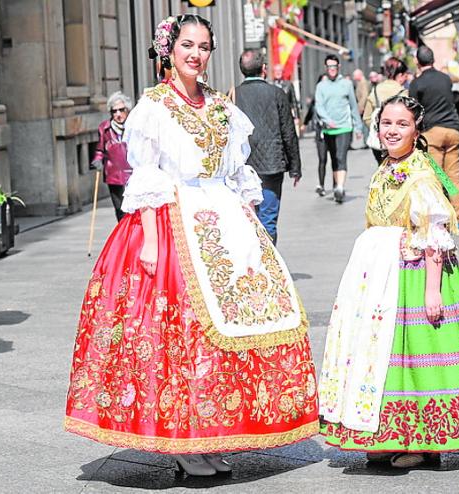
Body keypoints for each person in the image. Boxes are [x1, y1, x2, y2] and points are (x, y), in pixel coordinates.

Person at [64, 14, 319, 477]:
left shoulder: (222, 106)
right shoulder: (154, 107)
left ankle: (212, 432)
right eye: (187, 44)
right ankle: (183, 439)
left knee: (232, 327)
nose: (195, 54)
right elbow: (149, 175)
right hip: (175, 218)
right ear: (170, 49)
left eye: (203, 46)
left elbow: (240, 171)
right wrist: (152, 242)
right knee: (180, 331)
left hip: (224, 217)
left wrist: (249, 217)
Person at [318, 95, 459, 468]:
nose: (392, 130)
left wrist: (431, 290)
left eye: (401, 124)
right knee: (384, 356)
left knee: (415, 353)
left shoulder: (420, 172)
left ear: (416, 129)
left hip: (412, 271)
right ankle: (390, 435)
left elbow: (434, 231)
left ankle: (422, 443)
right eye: (387, 123)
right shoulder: (388, 166)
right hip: (379, 273)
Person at [234, 50, 301, 245]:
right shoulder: (277, 93)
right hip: (271, 164)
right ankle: (269, 265)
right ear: (264, 69)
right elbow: (288, 132)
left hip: (243, 165)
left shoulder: (232, 95)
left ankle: (253, 262)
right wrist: (295, 167)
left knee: (247, 217)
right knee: (268, 217)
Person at [409, 46, 459, 226]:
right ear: (433, 60)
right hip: (453, 130)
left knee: (436, 176)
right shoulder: (445, 79)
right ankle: (457, 215)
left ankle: (439, 217)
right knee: (453, 176)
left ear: (417, 62)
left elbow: (413, 111)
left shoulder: (417, 84)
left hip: (432, 134)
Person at [315, 55, 363, 203]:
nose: (332, 69)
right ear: (325, 68)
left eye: (334, 66)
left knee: (341, 156)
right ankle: (337, 186)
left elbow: (354, 106)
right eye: (329, 67)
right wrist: (327, 121)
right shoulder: (321, 86)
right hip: (329, 129)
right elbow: (319, 106)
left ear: (339, 67)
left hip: (344, 127)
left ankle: (340, 187)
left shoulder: (346, 84)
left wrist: (358, 127)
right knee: (334, 158)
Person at [91, 91, 133, 221]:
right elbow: (100, 149)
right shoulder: (105, 128)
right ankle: (124, 239)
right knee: (120, 209)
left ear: (127, 110)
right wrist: (97, 160)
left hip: (133, 174)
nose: (118, 114)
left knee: (133, 209)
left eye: (121, 110)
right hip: (114, 175)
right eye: (114, 111)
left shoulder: (134, 126)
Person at [363, 57, 408, 164]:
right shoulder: (403, 93)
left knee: (382, 170)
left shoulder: (375, 91)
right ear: (400, 75)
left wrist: (381, 129)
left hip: (380, 143)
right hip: (399, 141)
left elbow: (366, 117)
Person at [302, 74, 329, 197]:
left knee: (335, 159)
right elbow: (311, 110)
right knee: (322, 159)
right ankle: (321, 185)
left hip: (334, 130)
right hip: (321, 131)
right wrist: (304, 124)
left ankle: (337, 185)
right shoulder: (316, 97)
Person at [272, 63, 301, 129]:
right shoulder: (270, 85)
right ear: (273, 72)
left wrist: (296, 116)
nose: (278, 72)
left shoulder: (289, 85)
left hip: (286, 115)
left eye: (280, 70)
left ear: (282, 72)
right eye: (276, 71)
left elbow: (294, 101)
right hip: (274, 115)